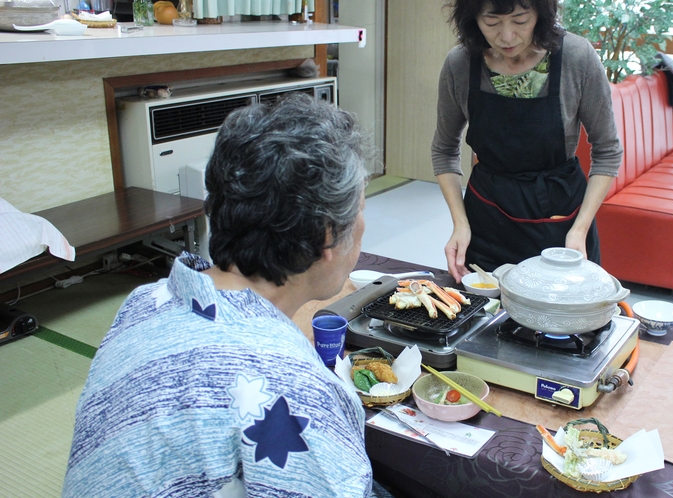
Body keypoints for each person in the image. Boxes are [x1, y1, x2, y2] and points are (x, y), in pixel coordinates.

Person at [63, 94, 388, 497]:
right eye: (360, 208)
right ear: (326, 235)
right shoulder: (292, 386)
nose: (363, 225)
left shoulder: (143, 303)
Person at [432, 0, 623, 282]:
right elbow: (444, 150)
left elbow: (607, 151)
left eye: (520, 21)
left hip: (561, 221)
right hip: (487, 216)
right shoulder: (460, 62)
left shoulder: (575, 56)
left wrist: (580, 229)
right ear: (473, 19)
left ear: (541, 14)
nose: (507, 36)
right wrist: (460, 224)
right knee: (485, 316)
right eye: (492, 22)